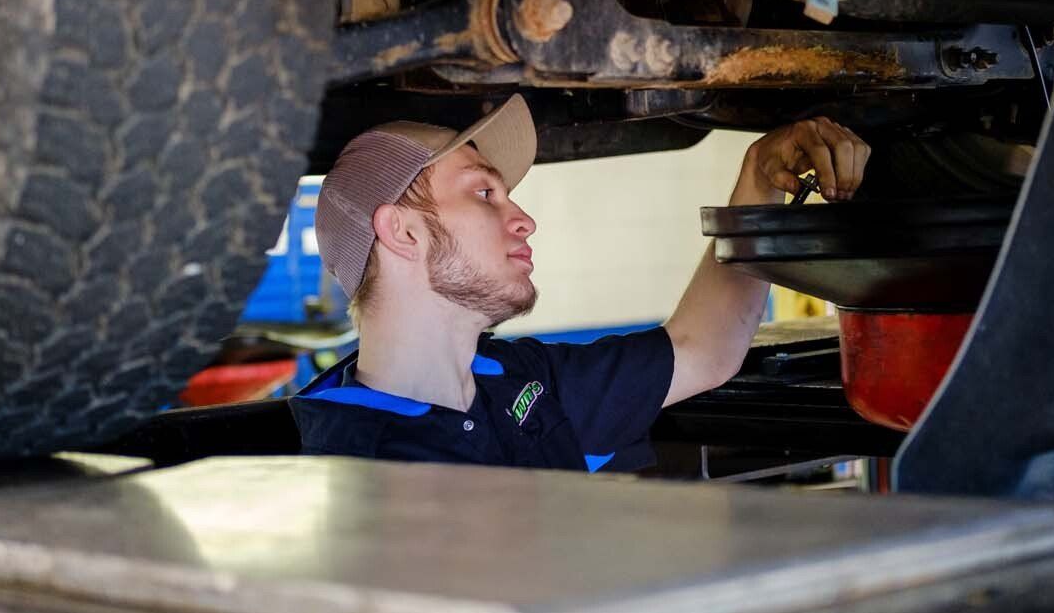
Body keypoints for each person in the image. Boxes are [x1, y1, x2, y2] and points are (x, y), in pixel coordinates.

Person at [291, 95, 870, 472]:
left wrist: (758, 175)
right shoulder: (351, 465)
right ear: (404, 233)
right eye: (484, 192)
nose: (523, 220)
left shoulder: (518, 381)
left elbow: (703, 350)